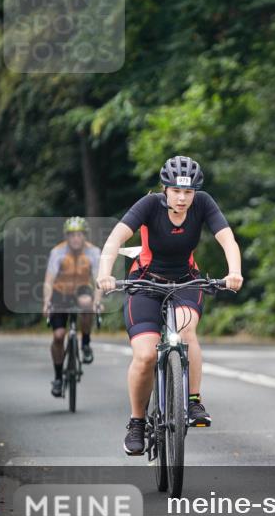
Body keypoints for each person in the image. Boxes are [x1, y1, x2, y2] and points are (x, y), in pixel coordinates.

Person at [95, 156, 243, 456]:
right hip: (146, 282)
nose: (182, 198)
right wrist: (104, 274)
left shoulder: (203, 203)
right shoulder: (148, 206)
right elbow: (114, 240)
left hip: (186, 282)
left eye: (188, 192)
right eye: (176, 190)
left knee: (186, 332)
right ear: (165, 189)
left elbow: (227, 240)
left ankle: (192, 402)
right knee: (146, 355)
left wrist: (234, 272)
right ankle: (137, 422)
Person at [43, 217, 101, 396]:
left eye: (79, 235)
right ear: (66, 237)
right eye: (72, 235)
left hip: (82, 289)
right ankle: (59, 377)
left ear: (84, 236)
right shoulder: (58, 252)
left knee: (86, 302)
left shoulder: (93, 252)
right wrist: (47, 301)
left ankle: (85, 343)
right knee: (59, 336)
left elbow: (98, 280)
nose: (76, 238)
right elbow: (49, 280)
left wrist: (97, 302)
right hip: (61, 292)